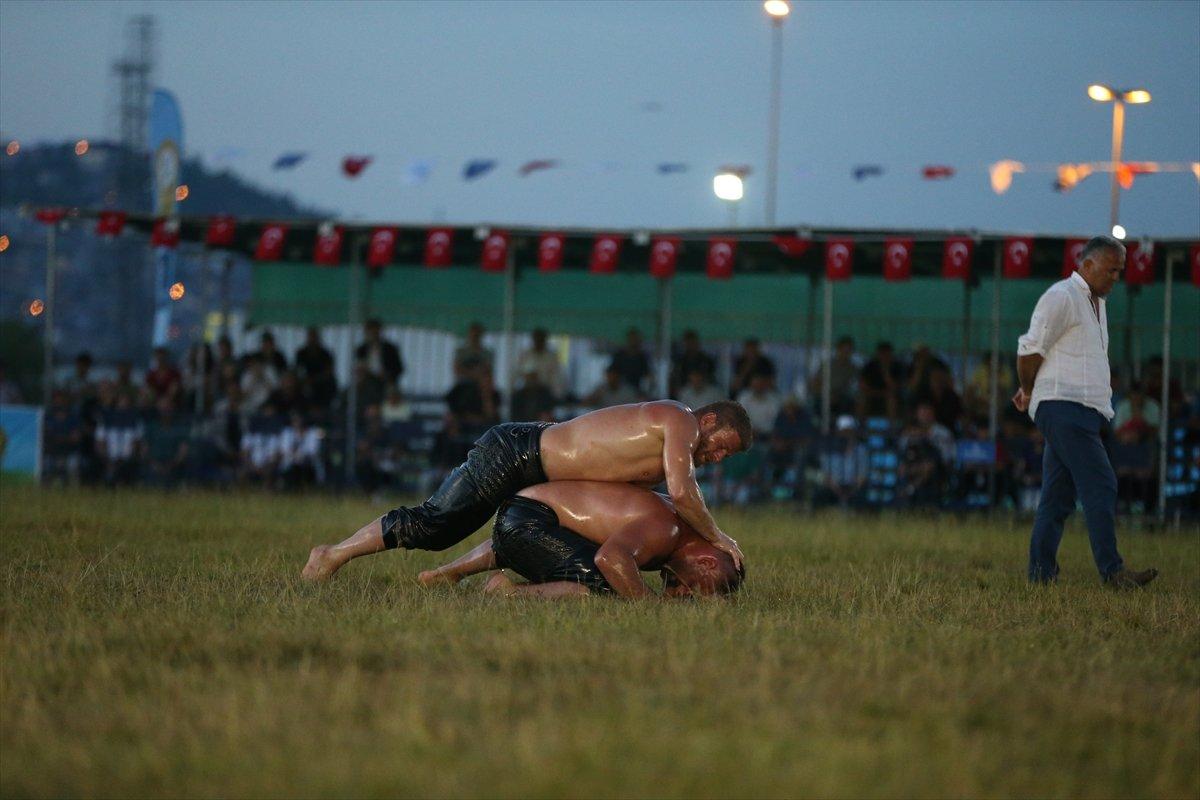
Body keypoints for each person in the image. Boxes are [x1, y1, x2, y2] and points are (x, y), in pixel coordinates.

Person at [302, 399, 753, 580]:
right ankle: (332, 554)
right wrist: (720, 537)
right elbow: (684, 492)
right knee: (434, 526)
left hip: (539, 468)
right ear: (709, 421)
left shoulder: (657, 461)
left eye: (724, 458)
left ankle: (447, 575)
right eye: (720, 448)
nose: (716, 458)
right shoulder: (679, 419)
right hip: (518, 451)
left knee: (544, 526)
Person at [1014, 235, 1157, 588]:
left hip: (1079, 411)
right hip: (1064, 407)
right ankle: (1113, 572)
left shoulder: (1096, 302)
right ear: (1088, 264)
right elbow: (1030, 349)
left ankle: (1041, 576)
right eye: (1111, 271)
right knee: (1101, 483)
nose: (1116, 278)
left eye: (1119, 272)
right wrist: (1029, 389)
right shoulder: (1062, 296)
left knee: (1057, 498)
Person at [417, 481, 743, 599]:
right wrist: (648, 603)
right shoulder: (667, 529)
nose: (682, 591)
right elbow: (611, 559)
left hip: (526, 513)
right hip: (529, 520)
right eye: (693, 587)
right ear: (707, 561)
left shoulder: (678, 520)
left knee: (561, 549)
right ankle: (508, 594)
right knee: (609, 584)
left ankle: (447, 574)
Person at [513, 328, 563, 399]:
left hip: (545, 391)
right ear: (533, 340)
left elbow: (557, 377)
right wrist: (526, 376)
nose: (538, 342)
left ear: (545, 340)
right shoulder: (526, 354)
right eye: (536, 339)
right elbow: (517, 372)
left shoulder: (551, 357)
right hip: (527, 390)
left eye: (541, 340)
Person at [355, 318, 404, 387]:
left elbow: (399, 368)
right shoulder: (361, 350)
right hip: (366, 382)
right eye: (370, 332)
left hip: (386, 382)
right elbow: (357, 368)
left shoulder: (390, 349)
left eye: (375, 332)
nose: (373, 335)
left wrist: (387, 375)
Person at [670, 330, 716, 397]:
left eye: (692, 342)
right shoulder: (680, 361)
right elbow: (675, 379)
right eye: (688, 343)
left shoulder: (705, 360)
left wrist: (698, 383)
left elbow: (711, 377)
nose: (690, 345)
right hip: (685, 392)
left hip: (704, 391)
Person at [609, 328, 651, 392]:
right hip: (619, 389)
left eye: (636, 339)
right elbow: (612, 372)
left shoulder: (642, 357)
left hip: (636, 391)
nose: (634, 341)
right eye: (632, 339)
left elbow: (648, 375)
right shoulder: (620, 355)